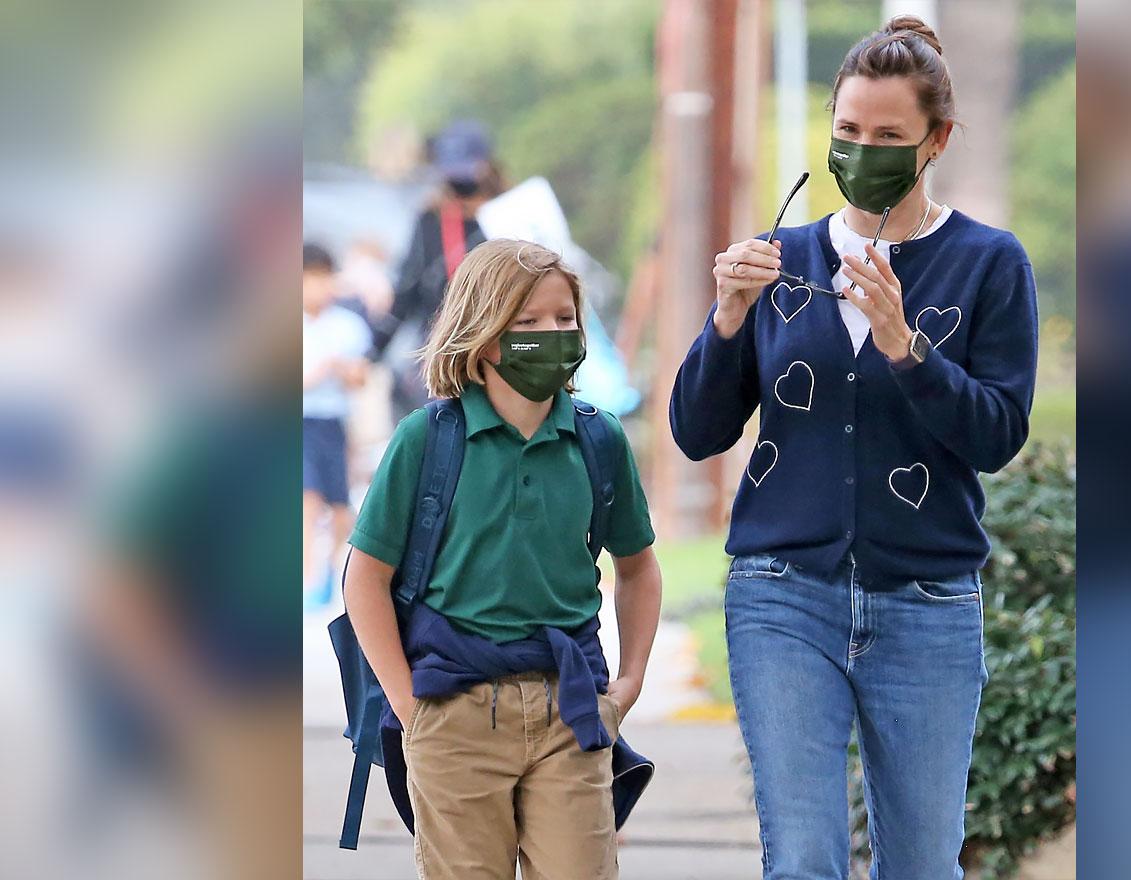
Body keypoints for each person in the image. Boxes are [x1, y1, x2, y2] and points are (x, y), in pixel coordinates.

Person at [670, 16, 1039, 880]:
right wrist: (726, 320)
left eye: (887, 137)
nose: (860, 151)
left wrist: (907, 348)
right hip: (782, 594)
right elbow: (696, 431)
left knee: (920, 866)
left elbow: (997, 435)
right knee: (802, 861)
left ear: (937, 140)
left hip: (927, 599)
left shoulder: (988, 264)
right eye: (846, 132)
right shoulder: (778, 258)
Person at [343, 239, 662, 879]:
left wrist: (627, 685)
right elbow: (364, 581)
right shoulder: (427, 440)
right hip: (453, 709)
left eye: (564, 319)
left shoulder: (597, 439)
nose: (552, 334)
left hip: (570, 710)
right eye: (528, 322)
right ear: (484, 336)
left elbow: (638, 568)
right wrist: (411, 709)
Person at [372, 119, 502, 424]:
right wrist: (372, 349)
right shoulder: (432, 220)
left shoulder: (513, 214)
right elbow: (407, 290)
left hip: (500, 351)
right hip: (444, 352)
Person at [303, 243, 371, 596]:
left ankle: (329, 570)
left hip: (333, 423)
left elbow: (360, 377)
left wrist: (341, 369)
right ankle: (309, 577)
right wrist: (321, 370)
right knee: (306, 496)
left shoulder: (348, 325)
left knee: (340, 505)